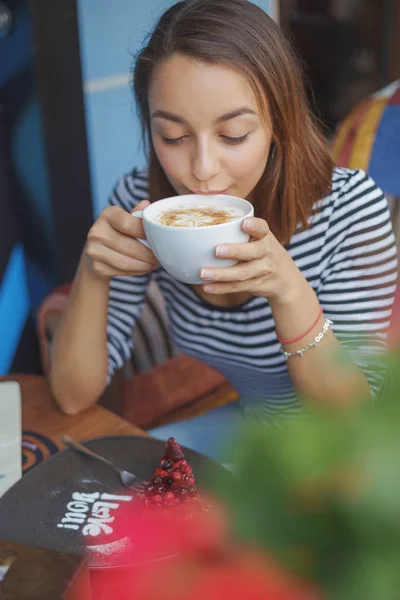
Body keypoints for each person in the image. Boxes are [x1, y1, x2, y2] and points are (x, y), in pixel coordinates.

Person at [50, 0, 397, 460]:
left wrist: (289, 292)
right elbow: (72, 396)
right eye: (172, 136)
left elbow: (357, 427)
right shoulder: (143, 203)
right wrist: (94, 273)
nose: (202, 171)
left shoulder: (348, 209)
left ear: (278, 122)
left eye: (233, 135)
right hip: (251, 432)